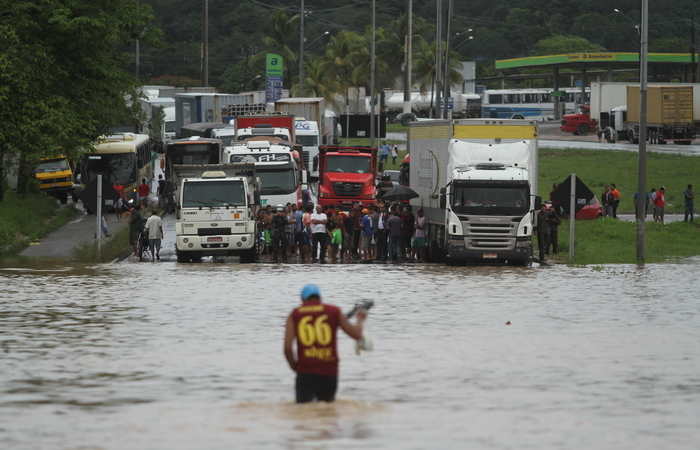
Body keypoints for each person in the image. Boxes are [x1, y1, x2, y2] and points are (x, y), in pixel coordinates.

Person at [284, 284, 367, 403]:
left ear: (302, 299)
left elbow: (287, 348)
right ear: (320, 298)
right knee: (327, 412)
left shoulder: (295, 314)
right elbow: (357, 335)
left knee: (303, 415)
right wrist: (360, 318)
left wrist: (294, 366)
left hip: (305, 372)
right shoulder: (334, 311)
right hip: (329, 372)